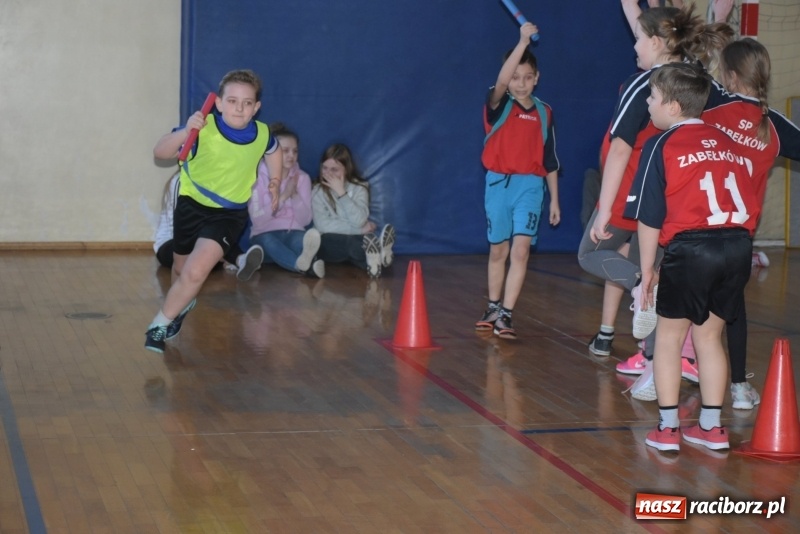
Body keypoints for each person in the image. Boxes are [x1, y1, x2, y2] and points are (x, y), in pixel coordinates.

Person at [625, 62, 760, 452]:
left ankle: (668, 430)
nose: (647, 104)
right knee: (710, 337)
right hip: (737, 246)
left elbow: (649, 218)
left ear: (671, 105)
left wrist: (647, 269)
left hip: (692, 248)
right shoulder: (731, 143)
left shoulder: (660, 144)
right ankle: (712, 428)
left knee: (668, 338)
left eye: (651, 97)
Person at [578, 4, 702, 356]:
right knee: (647, 262)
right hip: (674, 192)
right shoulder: (693, 71)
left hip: (633, 188)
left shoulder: (644, 83)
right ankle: (651, 357)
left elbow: (619, 150)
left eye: (637, 39)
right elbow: (647, 24)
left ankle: (642, 287)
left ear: (658, 42)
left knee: (591, 254)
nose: (633, 46)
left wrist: (603, 209)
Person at [145, 69, 283, 353]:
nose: (239, 108)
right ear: (219, 103)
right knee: (181, 270)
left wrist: (275, 180)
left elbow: (274, 150)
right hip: (191, 205)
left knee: (195, 272)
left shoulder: (262, 134)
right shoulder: (203, 127)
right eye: (232, 101)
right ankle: (179, 307)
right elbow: (160, 152)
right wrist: (185, 130)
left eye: (247, 103)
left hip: (228, 215)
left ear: (256, 107)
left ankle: (158, 325)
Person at [474, 22, 560, 340]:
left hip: (531, 187)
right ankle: (493, 305)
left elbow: (550, 160)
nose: (520, 83)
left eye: (527, 77)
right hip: (498, 184)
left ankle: (507, 314)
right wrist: (522, 41)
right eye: (515, 77)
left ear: (536, 79)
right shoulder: (497, 105)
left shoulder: (545, 112)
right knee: (499, 251)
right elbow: (499, 81)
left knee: (520, 250)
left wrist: (554, 200)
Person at [248, 123, 325, 278]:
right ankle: (303, 266)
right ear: (270, 153)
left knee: (301, 242)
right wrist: (284, 196)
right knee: (270, 242)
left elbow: (305, 220)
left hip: (293, 232)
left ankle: (304, 262)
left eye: (295, 151)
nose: (291, 155)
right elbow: (258, 220)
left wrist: (295, 195)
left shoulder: (302, 178)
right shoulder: (256, 179)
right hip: (264, 235)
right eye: (285, 151)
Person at [153, 170, 263, 278]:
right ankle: (236, 259)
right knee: (205, 246)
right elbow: (180, 222)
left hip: (196, 240)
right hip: (172, 244)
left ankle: (238, 259)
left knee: (217, 236)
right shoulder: (180, 180)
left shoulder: (208, 181)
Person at [311, 143, 395, 278]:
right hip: (327, 242)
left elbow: (359, 220)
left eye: (335, 169)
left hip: (354, 243)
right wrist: (360, 230)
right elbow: (323, 225)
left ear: (346, 169)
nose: (328, 174)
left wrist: (342, 194)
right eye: (325, 168)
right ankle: (379, 252)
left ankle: (374, 262)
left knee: (358, 250)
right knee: (351, 242)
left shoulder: (360, 188)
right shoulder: (317, 192)